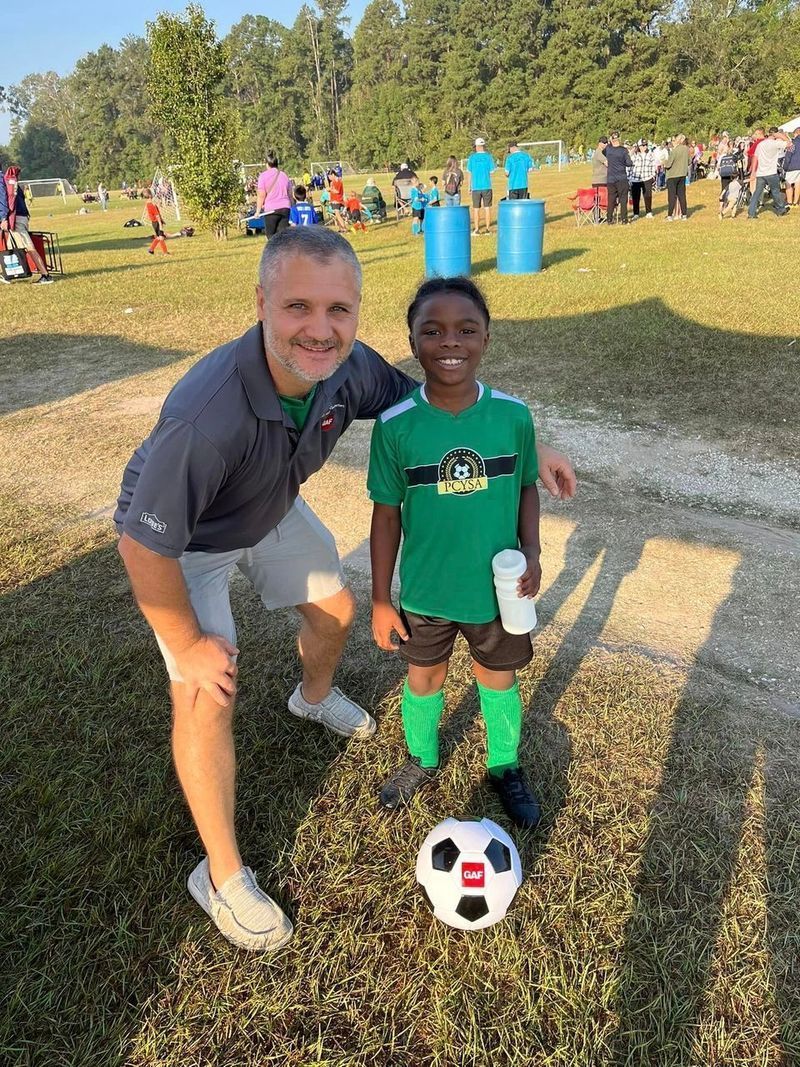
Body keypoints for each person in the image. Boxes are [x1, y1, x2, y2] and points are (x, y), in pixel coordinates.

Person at [114, 227, 577, 953]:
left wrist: (533, 446)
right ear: (260, 302)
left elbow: (426, 397)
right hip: (190, 540)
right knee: (206, 690)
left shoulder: (347, 367)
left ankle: (311, 695)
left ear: (358, 311)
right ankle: (224, 876)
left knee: (333, 610)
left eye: (339, 309)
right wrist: (187, 643)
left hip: (265, 504)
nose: (320, 329)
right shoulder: (209, 417)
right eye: (298, 306)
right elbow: (142, 544)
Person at [368, 276, 541, 826]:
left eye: (466, 330)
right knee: (424, 678)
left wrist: (533, 552)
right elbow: (387, 513)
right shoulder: (396, 427)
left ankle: (505, 764)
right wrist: (379, 597)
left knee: (499, 678)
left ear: (486, 338)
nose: (450, 342)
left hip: (496, 591)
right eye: (433, 330)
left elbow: (529, 487)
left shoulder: (512, 417)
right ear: (413, 340)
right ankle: (421, 757)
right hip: (426, 591)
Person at [0, 165, 54, 283]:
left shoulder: (1, 180)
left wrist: (3, 218)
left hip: (15, 219)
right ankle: (7, 274)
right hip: (21, 217)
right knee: (10, 247)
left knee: (29, 247)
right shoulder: (11, 181)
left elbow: (3, 200)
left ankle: (46, 275)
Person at [747, 128, 790, 220]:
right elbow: (789, 143)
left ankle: (751, 213)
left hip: (760, 173)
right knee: (775, 192)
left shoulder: (760, 144)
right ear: (775, 135)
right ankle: (781, 210)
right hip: (771, 172)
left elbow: (755, 157)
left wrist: (754, 171)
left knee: (756, 193)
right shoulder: (775, 143)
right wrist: (782, 136)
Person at [256, 151, 293, 238]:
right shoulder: (284, 175)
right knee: (283, 237)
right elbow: (290, 194)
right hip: (285, 208)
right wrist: (292, 207)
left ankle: (273, 251)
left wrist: (257, 211)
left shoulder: (263, 176)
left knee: (271, 236)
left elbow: (261, 195)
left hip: (271, 210)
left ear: (267, 164)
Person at [466, 137, 496, 236]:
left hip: (476, 187)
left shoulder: (472, 158)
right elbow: (492, 171)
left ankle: (477, 229)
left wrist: (469, 186)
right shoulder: (488, 157)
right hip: (487, 185)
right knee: (487, 208)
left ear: (476, 146)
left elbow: (469, 173)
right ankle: (487, 229)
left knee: (476, 208)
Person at [604, 132, 632, 225]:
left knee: (611, 199)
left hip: (611, 179)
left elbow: (603, 151)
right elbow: (629, 163)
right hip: (621, 178)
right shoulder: (623, 150)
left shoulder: (608, 149)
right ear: (619, 139)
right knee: (623, 200)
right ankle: (624, 219)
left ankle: (609, 219)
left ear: (611, 139)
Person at [664, 134, 690, 221]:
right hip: (682, 174)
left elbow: (668, 164)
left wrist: (664, 163)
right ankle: (684, 214)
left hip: (672, 175)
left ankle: (670, 215)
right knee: (682, 195)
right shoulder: (686, 149)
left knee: (672, 196)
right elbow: (689, 161)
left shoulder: (675, 151)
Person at [629, 141, 655, 219]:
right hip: (635, 179)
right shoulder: (634, 155)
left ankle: (649, 212)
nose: (644, 147)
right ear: (639, 146)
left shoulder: (650, 154)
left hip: (647, 177)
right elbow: (629, 166)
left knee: (648, 196)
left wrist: (653, 176)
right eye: (642, 145)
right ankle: (636, 213)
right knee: (635, 197)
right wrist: (629, 177)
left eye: (645, 145)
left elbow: (653, 165)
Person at [781, 129, 800, 207]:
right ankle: (796, 202)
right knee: (798, 184)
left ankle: (789, 202)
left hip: (792, 166)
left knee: (788, 184)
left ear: (796, 133)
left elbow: (788, 156)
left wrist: (785, 167)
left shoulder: (792, 144)